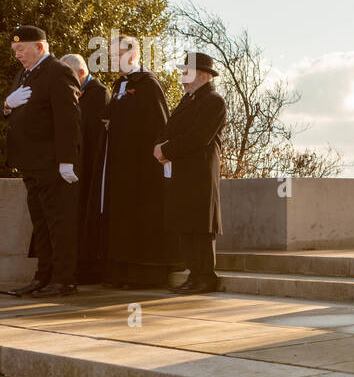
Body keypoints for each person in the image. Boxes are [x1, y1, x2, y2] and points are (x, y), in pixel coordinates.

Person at [1, 25, 83, 297]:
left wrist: (67, 160)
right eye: (14, 50)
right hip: (31, 163)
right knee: (41, 223)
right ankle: (44, 276)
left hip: (52, 163)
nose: (17, 55)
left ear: (40, 46)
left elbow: (68, 119)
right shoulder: (24, 74)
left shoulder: (59, 72)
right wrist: (6, 106)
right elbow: (16, 112)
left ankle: (63, 278)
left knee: (58, 222)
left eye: (21, 49)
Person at [93, 35, 176, 288]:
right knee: (121, 220)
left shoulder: (148, 83)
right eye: (111, 55)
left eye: (118, 54)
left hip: (141, 167)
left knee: (140, 220)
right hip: (119, 165)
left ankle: (144, 276)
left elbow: (160, 123)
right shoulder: (119, 84)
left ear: (133, 54)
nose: (114, 60)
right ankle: (120, 273)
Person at [156, 52, 229, 294]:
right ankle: (193, 274)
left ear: (203, 75)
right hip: (182, 171)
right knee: (186, 224)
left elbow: (199, 137)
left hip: (200, 172)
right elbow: (171, 129)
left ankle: (205, 276)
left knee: (200, 225)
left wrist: (166, 149)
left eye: (186, 73)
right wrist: (161, 147)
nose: (182, 78)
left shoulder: (213, 101)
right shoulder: (187, 100)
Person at [59, 53, 110, 284]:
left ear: (81, 73)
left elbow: (94, 133)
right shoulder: (70, 92)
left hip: (89, 166)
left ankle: (89, 268)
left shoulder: (99, 94)